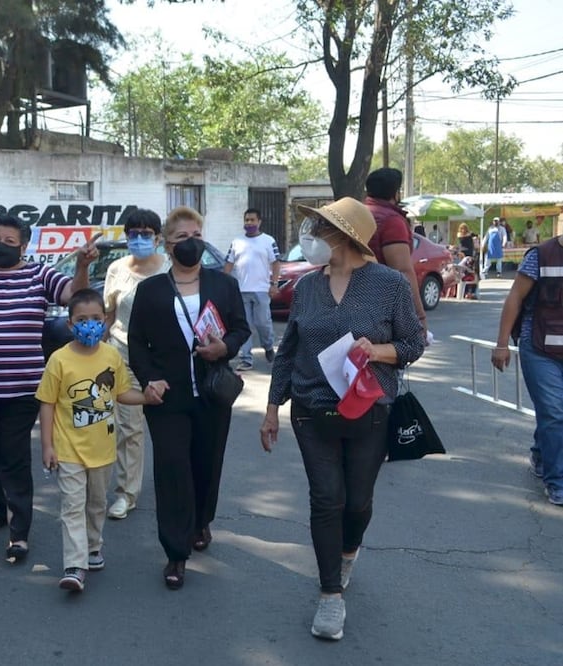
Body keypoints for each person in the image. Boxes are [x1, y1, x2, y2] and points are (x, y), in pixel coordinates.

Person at [260, 197, 424, 641]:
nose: (310, 236)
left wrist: (378, 350)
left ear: (345, 236)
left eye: (320, 227)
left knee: (357, 502)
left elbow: (412, 344)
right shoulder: (307, 287)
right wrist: (272, 408)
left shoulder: (389, 284)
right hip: (311, 410)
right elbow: (288, 351)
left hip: (369, 411)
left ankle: (348, 550)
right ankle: (330, 594)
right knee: (326, 499)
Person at [0, 215, 97, 562]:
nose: (1, 246)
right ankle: (0, 507)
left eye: (10, 242)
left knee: (15, 455)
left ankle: (19, 531)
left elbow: (74, 295)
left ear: (23, 247)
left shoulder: (38, 275)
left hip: (23, 390)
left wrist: (82, 265)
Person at [127, 206, 250, 590]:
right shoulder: (150, 291)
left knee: (207, 465)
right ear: (167, 244)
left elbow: (241, 328)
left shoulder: (223, 284)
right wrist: (149, 380)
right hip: (168, 399)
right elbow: (137, 343)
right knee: (172, 469)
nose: (191, 243)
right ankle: (176, 552)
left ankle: (201, 521)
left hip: (213, 394)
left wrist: (224, 348)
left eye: (196, 235)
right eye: (182, 237)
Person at [37, 289, 155, 592]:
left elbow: (121, 393)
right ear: (69, 324)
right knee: (73, 505)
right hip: (68, 450)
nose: (89, 324)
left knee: (97, 503)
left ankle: (92, 547)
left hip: (103, 450)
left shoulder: (111, 356)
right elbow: (47, 403)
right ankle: (75, 565)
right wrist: (47, 445)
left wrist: (147, 398)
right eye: (81, 319)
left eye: (95, 318)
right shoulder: (59, 360)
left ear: (105, 320)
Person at [102, 208, 169, 520]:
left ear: (157, 238)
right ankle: (126, 494)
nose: (140, 239)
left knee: (170, 428)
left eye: (146, 234)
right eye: (134, 234)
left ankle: (178, 486)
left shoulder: (171, 269)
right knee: (128, 429)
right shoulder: (116, 269)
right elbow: (108, 314)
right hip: (124, 357)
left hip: (165, 360)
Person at [491, 234, 563, 507]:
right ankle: (558, 482)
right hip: (540, 347)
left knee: (553, 413)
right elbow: (515, 297)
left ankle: (541, 455)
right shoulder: (540, 255)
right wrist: (502, 344)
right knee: (554, 412)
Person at [363, 167, 428, 337]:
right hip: (383, 305)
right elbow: (402, 270)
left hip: (352, 300)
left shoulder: (358, 214)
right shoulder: (392, 221)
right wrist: (419, 316)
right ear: (395, 193)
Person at [223, 207, 281, 371]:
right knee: (244, 326)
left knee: (263, 323)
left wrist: (274, 284)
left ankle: (268, 347)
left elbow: (276, 263)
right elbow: (228, 264)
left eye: (252, 220)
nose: (249, 223)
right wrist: (224, 285)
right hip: (241, 291)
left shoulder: (268, 241)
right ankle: (246, 359)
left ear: (259, 222)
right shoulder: (237, 242)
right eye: (246, 220)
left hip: (262, 290)